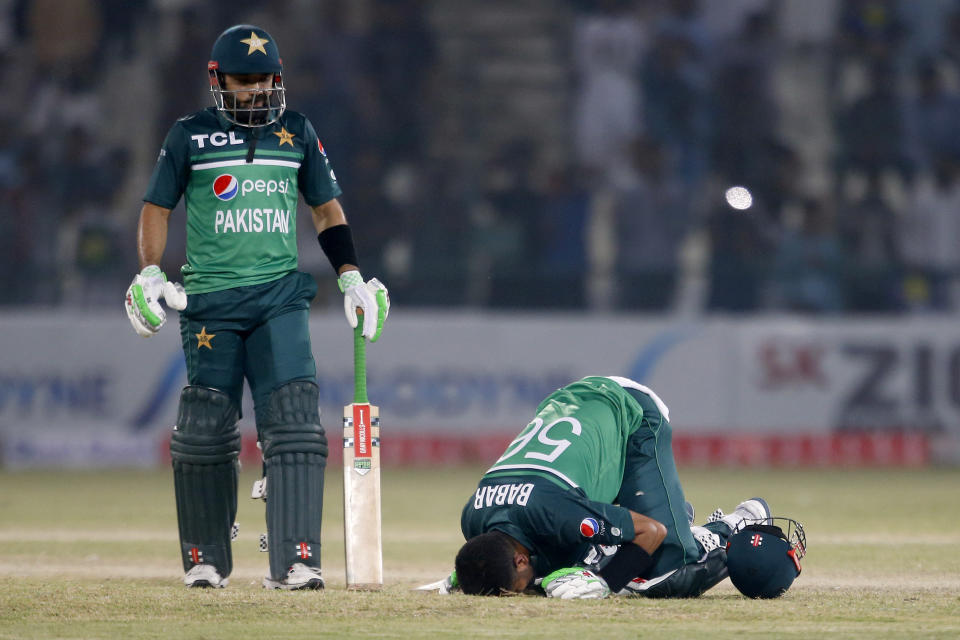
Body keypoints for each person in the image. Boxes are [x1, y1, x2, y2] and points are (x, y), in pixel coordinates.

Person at [123, 25, 390, 590]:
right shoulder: (189, 135)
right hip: (210, 303)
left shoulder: (296, 131)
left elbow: (326, 211)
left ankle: (296, 559)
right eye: (244, 81)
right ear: (218, 79)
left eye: (265, 80)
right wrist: (149, 272)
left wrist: (350, 277)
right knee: (203, 432)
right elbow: (156, 208)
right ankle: (206, 559)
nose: (255, 92)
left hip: (278, 299)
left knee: (294, 426)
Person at [441, 376, 777, 598]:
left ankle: (729, 525)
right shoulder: (472, 517)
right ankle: (661, 507)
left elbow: (651, 532)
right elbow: (491, 559)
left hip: (631, 411)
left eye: (518, 586)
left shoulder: (557, 513)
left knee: (668, 571)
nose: (522, 593)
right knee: (556, 567)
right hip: (573, 408)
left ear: (518, 561)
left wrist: (605, 584)